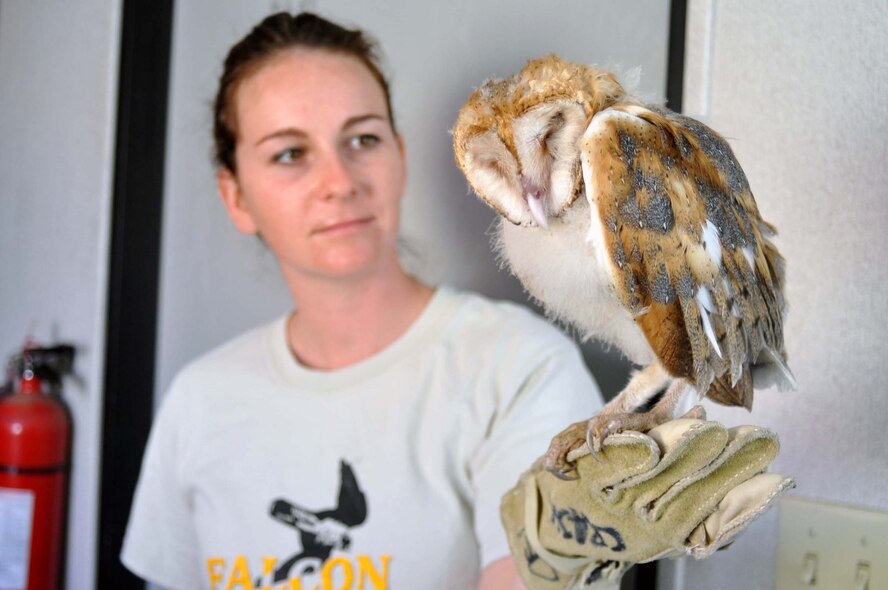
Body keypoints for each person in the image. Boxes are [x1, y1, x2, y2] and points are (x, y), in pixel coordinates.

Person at [121, 11, 794, 590]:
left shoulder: (515, 368)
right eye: (290, 154)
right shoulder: (198, 401)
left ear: (400, 153)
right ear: (235, 195)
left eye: (362, 139)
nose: (340, 181)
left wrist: (553, 555)